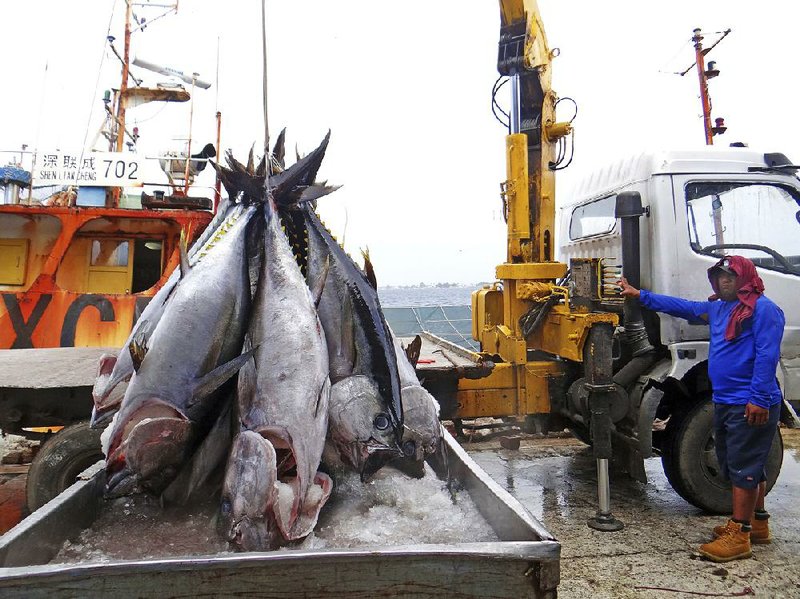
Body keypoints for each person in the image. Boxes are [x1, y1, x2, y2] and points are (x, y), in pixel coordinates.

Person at [618, 255, 785, 563]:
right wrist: (641, 296)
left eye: (730, 277)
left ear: (745, 279)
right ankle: (757, 523)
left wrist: (759, 399)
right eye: (719, 276)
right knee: (747, 463)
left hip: (748, 401)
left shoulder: (764, 311)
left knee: (743, 467)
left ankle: (741, 535)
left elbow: (767, 356)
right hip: (725, 398)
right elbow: (684, 308)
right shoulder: (720, 309)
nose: (724, 282)